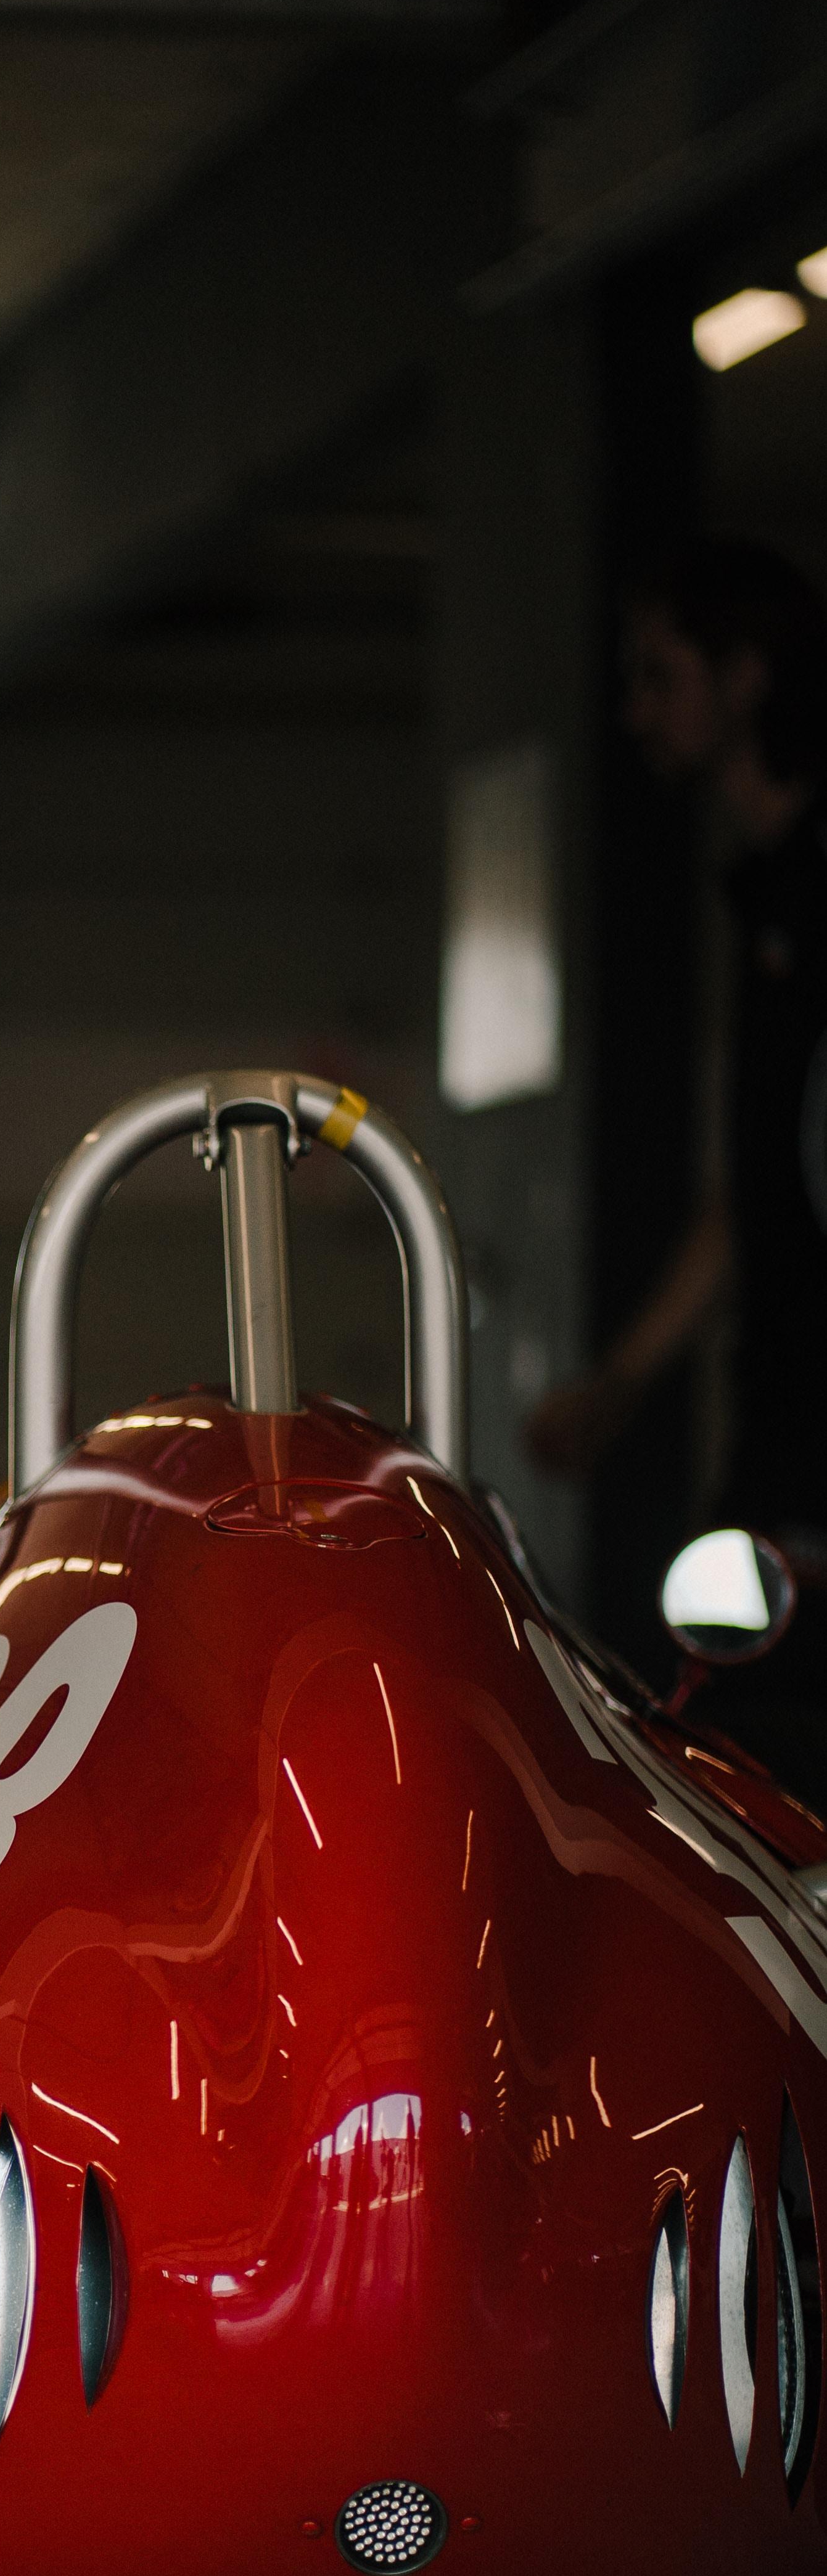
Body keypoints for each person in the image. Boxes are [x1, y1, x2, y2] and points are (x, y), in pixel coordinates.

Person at [527, 538, 827, 1779]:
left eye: (659, 675)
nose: (635, 711)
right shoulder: (764, 895)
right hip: (777, 1425)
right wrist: (620, 1378)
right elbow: (753, 1189)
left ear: (743, 678)